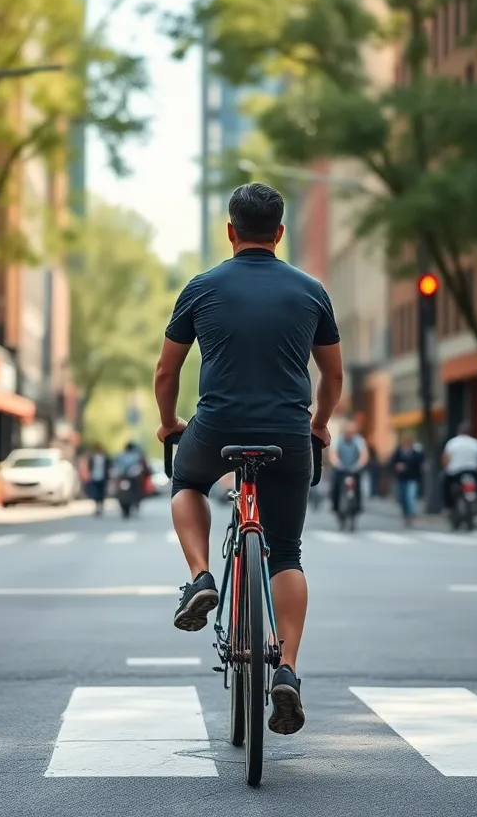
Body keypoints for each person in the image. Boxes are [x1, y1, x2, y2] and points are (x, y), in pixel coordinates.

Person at [154, 182, 343, 736]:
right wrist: (319, 424)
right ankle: (286, 668)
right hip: (288, 433)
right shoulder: (311, 291)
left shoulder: (201, 287)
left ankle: (200, 577)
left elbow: (167, 371)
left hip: (216, 427)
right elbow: (332, 376)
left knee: (187, 480)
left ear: (231, 231)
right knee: (286, 550)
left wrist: (169, 423)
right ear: (279, 233)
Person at [328, 420, 368, 515]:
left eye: (352, 432)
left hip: (354, 469)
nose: (349, 434)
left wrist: (358, 465)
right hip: (341, 469)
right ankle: (335, 506)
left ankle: (358, 507)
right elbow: (333, 454)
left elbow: (364, 455)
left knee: (357, 486)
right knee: (336, 486)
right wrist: (338, 464)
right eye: (347, 432)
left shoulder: (359, 441)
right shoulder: (338, 440)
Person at [441, 421, 477, 508]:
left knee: (444, 483)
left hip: (455, 473)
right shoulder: (476, 443)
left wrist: (446, 467)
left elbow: (445, 459)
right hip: (473, 472)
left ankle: (449, 506)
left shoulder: (452, 443)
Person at [389, 433, 423, 525]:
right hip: (402, 478)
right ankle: (405, 514)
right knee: (403, 498)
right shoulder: (399, 452)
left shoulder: (416, 452)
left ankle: (411, 515)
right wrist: (397, 467)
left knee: (410, 497)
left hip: (413, 478)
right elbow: (392, 462)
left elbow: (420, 462)